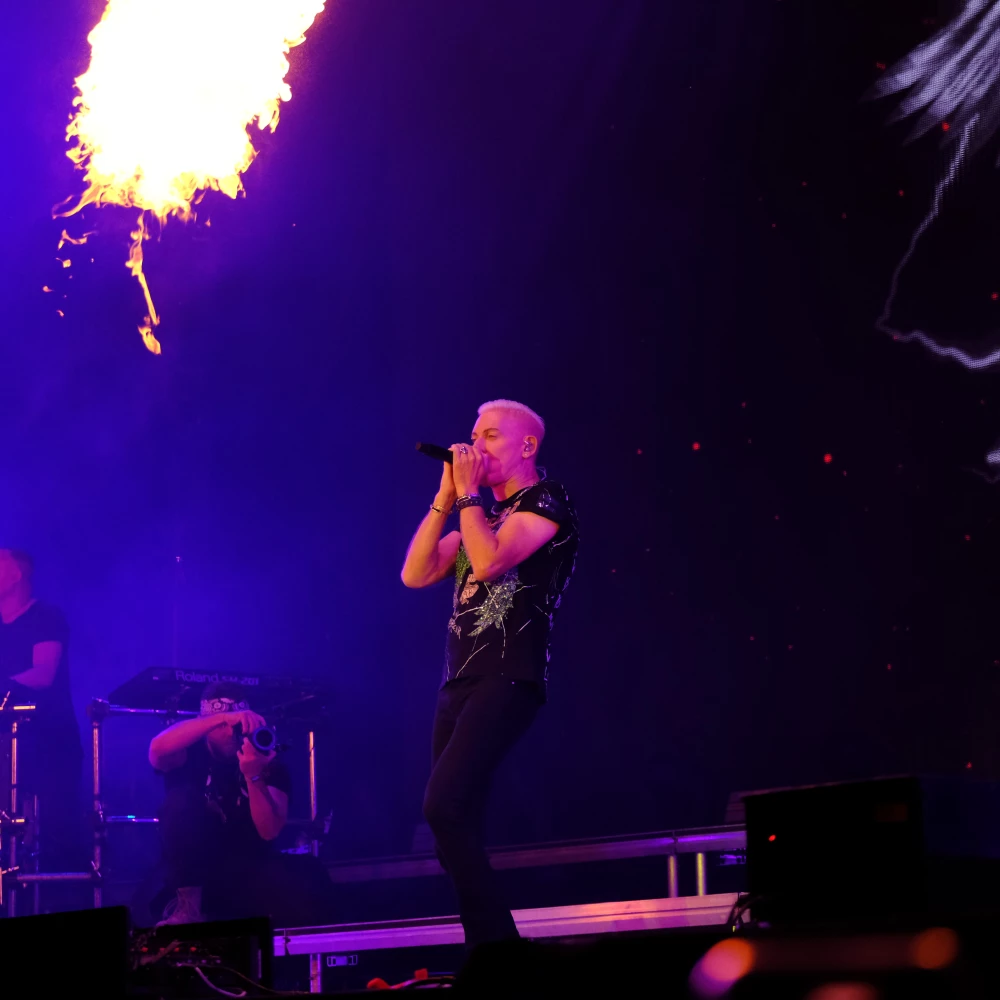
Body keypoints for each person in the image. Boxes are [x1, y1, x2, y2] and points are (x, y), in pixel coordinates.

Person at [401, 398, 579, 947]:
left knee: (443, 806)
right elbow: (415, 574)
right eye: (474, 435)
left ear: (527, 446)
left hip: (508, 675)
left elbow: (488, 561)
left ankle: (499, 951)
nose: (475, 446)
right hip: (458, 681)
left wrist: (469, 497)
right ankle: (489, 949)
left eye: (490, 436)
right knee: (450, 828)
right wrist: (445, 497)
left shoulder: (545, 501)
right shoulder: (479, 514)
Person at [148, 682, 292, 925]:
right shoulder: (188, 752)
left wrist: (253, 776)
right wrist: (223, 717)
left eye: (236, 725)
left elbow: (269, 830)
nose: (229, 733)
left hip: (247, 869)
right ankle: (189, 911)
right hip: (197, 869)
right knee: (179, 800)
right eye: (221, 726)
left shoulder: (265, 757)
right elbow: (156, 748)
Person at [0, 549, 84, 873]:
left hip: (50, 739)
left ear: (16, 575)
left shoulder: (45, 617)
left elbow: (44, 673)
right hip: (7, 742)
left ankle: (60, 895)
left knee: (56, 832)